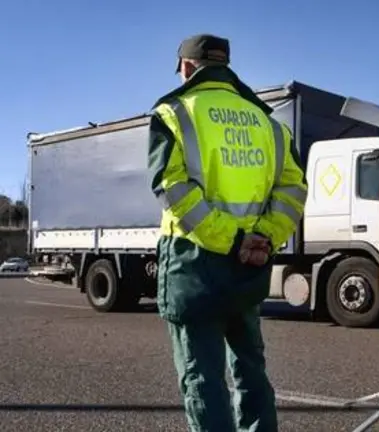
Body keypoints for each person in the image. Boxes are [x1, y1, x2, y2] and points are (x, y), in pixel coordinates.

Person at [146, 33, 307, 431]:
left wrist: (229, 241)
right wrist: (264, 237)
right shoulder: (269, 124)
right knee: (251, 371)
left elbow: (174, 190)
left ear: (186, 67)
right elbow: (293, 189)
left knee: (203, 379)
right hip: (250, 264)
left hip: (194, 266)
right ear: (225, 64)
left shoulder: (174, 111)